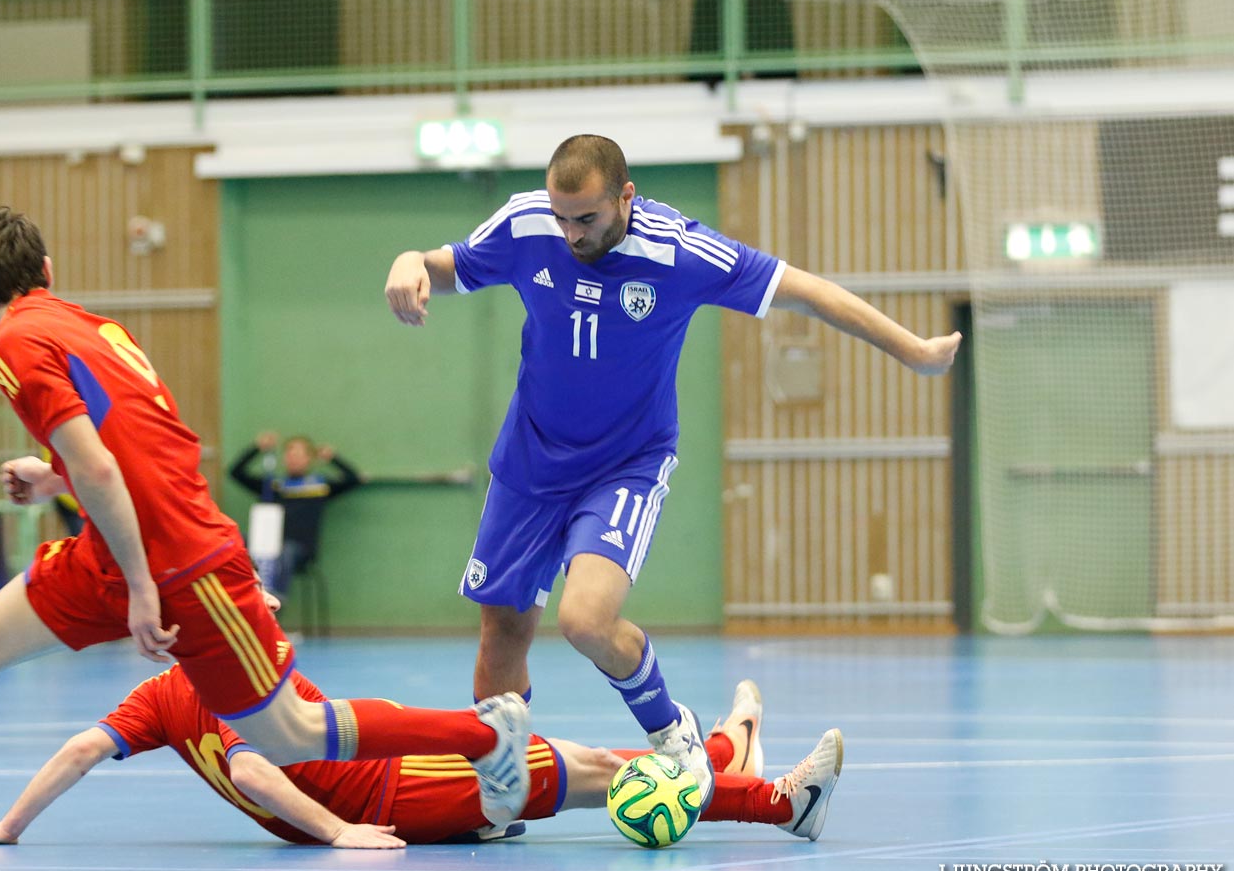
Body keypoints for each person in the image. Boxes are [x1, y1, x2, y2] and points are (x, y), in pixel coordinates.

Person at [0, 204, 531, 870]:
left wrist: (142, 581)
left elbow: (106, 463)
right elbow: (144, 446)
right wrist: (55, 478)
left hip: (180, 562)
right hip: (114, 549)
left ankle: (483, 735)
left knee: (289, 733)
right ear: (46, 269)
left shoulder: (12, 343)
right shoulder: (85, 325)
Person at [383, 134, 959, 809]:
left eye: (587, 219)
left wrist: (913, 350)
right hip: (529, 462)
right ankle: (500, 792)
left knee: (586, 621)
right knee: (502, 630)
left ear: (625, 197)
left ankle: (674, 734)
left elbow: (807, 292)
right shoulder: (527, 222)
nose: (569, 234)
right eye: (561, 217)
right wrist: (408, 260)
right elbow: (447, 265)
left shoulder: (679, 251)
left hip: (624, 466)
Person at [0, 668, 842, 848]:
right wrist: (340, 833)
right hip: (396, 788)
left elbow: (78, 747)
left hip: (399, 763)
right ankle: (777, 803)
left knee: (578, 760)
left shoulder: (158, 695)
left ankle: (729, 749)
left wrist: (12, 825)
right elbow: (255, 771)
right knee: (598, 775)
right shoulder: (211, 686)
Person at [228, 430, 361, 601]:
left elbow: (353, 479)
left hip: (299, 549)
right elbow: (236, 473)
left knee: (284, 551)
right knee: (236, 540)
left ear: (309, 459)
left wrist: (332, 458)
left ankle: (274, 602)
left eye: (298, 454)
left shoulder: (319, 487)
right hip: (267, 544)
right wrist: (257, 448)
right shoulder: (273, 486)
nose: (293, 458)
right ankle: (235, 597)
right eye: (289, 453)